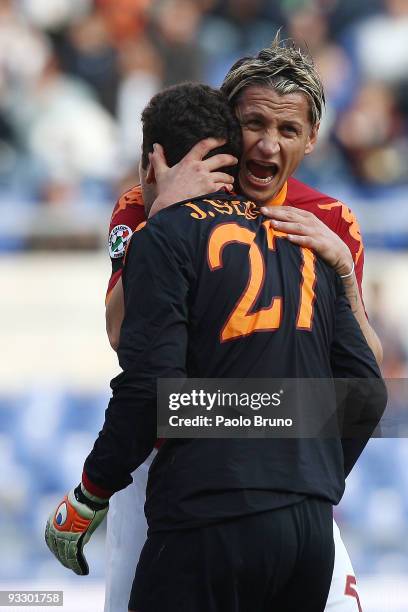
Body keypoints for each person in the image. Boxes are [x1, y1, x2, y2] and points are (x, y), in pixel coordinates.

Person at [45, 82, 386, 612]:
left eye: (287, 129)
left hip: (217, 485)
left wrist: (343, 268)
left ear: (312, 138)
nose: (267, 145)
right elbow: (119, 334)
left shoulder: (325, 223)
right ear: (228, 128)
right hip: (221, 470)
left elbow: (146, 385)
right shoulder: (147, 204)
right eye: (255, 125)